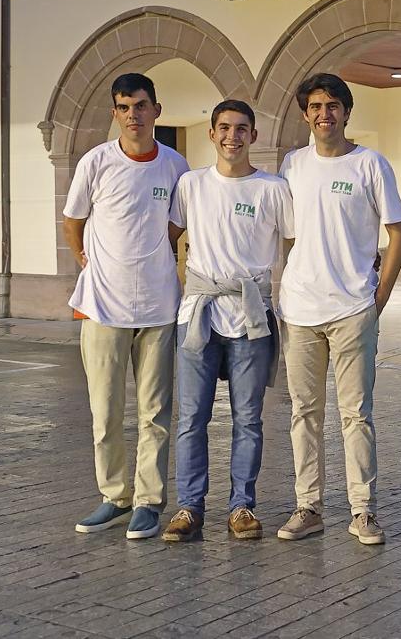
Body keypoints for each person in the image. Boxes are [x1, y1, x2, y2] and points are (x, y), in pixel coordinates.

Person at [275, 73, 401, 546]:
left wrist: (380, 298)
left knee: (356, 414)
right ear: (304, 114)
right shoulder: (292, 165)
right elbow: (288, 234)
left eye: (332, 105)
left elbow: (398, 233)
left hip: (353, 308)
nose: (323, 114)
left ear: (346, 112)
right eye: (315, 106)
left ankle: (363, 512)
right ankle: (308, 507)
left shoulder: (370, 164)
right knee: (304, 412)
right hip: (300, 310)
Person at [62, 73, 188, 539]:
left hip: (158, 308)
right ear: (114, 112)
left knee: (155, 412)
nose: (132, 114)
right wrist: (84, 261)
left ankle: (149, 503)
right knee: (106, 411)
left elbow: (175, 227)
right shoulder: (95, 162)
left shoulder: (175, 166)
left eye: (139, 105)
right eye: (122, 107)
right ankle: (115, 497)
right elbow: (73, 220)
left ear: (157, 109)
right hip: (102, 307)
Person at [162, 100, 294, 543]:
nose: (232, 136)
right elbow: (166, 239)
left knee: (248, 418)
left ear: (253, 135)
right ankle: (188, 506)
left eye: (241, 128)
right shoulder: (191, 185)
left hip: (252, 315)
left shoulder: (272, 189)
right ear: (212, 134)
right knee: (191, 417)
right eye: (223, 128)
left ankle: (241, 505)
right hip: (198, 313)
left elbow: (294, 248)